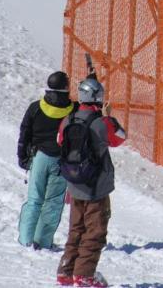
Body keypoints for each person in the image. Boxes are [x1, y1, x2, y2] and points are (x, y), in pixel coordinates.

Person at [56, 76, 126, 288]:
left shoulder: (68, 120)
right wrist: (108, 117)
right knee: (94, 232)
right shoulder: (101, 123)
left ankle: (66, 271)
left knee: (76, 228)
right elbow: (120, 137)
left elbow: (60, 141)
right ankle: (84, 275)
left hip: (74, 184)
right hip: (96, 186)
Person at [17, 70, 77, 250]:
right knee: (53, 201)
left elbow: (25, 133)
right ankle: (43, 241)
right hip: (61, 160)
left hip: (39, 157)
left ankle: (25, 239)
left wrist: (22, 157)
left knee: (34, 199)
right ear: (65, 88)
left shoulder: (36, 107)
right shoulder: (73, 110)